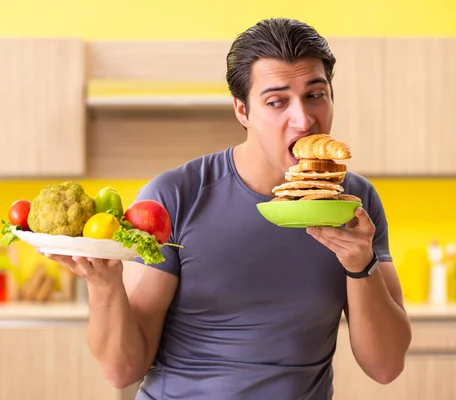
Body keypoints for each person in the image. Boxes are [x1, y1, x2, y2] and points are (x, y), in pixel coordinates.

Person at [42, 17, 412, 399]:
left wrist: (360, 266)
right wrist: (104, 285)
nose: (303, 119)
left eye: (315, 94)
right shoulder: (175, 196)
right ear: (242, 111)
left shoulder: (354, 203)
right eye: (276, 101)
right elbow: (122, 371)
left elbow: (385, 367)